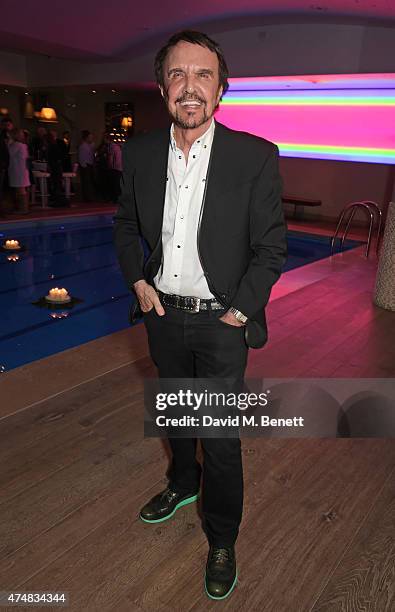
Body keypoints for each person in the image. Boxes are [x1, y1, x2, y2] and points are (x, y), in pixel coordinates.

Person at [113, 30, 287, 600]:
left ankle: (222, 536)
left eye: (203, 75)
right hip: (162, 313)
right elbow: (122, 226)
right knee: (176, 414)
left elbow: (271, 248)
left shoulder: (254, 156)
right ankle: (181, 484)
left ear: (221, 89)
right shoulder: (139, 154)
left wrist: (240, 309)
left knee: (220, 436)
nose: (191, 87)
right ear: (163, 87)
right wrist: (139, 280)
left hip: (222, 322)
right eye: (178, 75)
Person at [7, 127, 30, 214]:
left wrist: (9, 143)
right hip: (22, 169)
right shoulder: (23, 145)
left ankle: (23, 209)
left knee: (20, 189)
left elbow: (9, 154)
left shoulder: (16, 145)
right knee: (22, 188)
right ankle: (23, 208)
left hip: (18, 170)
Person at [78, 130, 95, 202]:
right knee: (86, 182)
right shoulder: (83, 146)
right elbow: (81, 157)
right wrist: (84, 166)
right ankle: (87, 198)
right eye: (90, 137)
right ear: (86, 138)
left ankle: (88, 197)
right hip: (85, 166)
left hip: (89, 165)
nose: (92, 139)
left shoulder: (90, 145)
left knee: (89, 182)